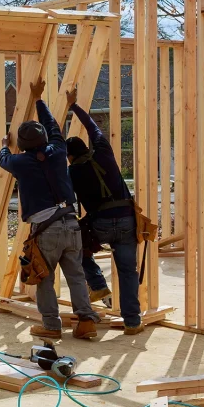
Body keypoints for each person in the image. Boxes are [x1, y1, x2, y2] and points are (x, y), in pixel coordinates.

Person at [0, 79, 100, 341]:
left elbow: (4, 160)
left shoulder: (19, 162)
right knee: (76, 275)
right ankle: (86, 321)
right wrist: (39, 99)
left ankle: (52, 326)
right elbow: (54, 126)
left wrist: (2, 145)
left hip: (46, 230)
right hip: (71, 223)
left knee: (43, 277)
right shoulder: (58, 151)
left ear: (21, 144)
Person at [65, 88, 143, 335]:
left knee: (76, 251)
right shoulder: (103, 151)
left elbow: (70, 201)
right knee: (128, 272)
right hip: (128, 221)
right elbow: (92, 128)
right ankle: (133, 323)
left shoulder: (73, 173)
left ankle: (98, 285)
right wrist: (74, 106)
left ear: (69, 156)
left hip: (100, 224)